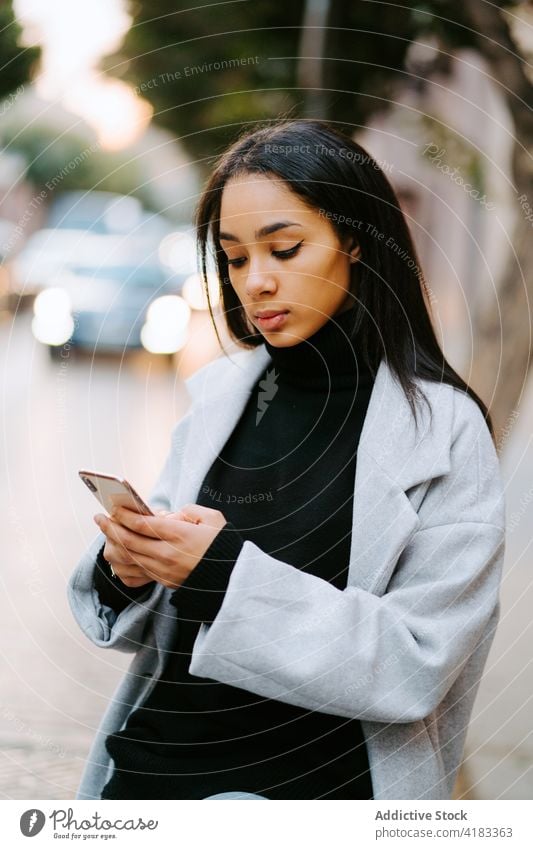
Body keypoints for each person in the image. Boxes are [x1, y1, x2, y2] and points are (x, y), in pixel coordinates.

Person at [68, 119, 506, 801]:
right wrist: (130, 567)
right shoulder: (220, 393)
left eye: (283, 248)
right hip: (148, 779)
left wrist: (215, 571)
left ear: (355, 240)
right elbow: (168, 617)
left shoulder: (444, 433)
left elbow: (414, 664)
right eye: (235, 257)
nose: (256, 281)